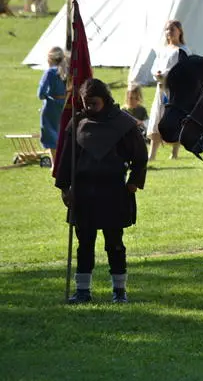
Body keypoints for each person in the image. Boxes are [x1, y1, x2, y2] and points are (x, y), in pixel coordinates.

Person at [55, 78, 148, 304]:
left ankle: (119, 291)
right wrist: (65, 188)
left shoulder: (123, 124)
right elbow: (66, 158)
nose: (89, 108)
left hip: (113, 191)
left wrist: (133, 182)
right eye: (85, 103)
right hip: (84, 192)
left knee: (114, 243)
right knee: (84, 242)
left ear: (104, 100)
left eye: (93, 103)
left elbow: (140, 156)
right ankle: (83, 290)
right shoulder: (77, 123)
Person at [147, 20, 187, 161]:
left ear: (179, 31)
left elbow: (181, 69)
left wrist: (166, 75)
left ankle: (175, 152)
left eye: (172, 29)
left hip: (174, 90)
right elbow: (155, 66)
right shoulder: (162, 49)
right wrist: (157, 74)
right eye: (167, 29)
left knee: (173, 118)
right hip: (161, 89)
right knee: (158, 117)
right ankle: (152, 154)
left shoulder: (182, 50)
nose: (169, 32)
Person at [37, 46, 67, 169]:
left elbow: (41, 93)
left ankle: (55, 164)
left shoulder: (50, 72)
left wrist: (47, 96)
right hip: (65, 104)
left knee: (50, 134)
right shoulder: (67, 70)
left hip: (52, 105)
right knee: (63, 133)